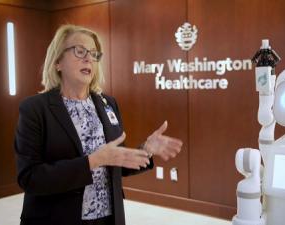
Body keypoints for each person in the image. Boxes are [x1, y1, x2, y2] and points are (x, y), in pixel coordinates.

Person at [14, 24, 183, 225]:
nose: (88, 59)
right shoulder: (35, 108)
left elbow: (116, 163)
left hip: (107, 218)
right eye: (79, 51)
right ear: (57, 61)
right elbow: (30, 178)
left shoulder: (107, 103)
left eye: (94, 54)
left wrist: (146, 150)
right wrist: (93, 161)